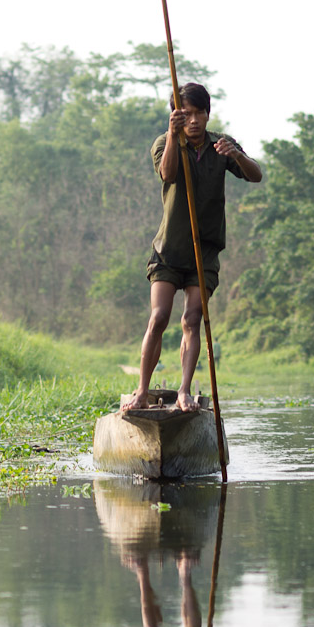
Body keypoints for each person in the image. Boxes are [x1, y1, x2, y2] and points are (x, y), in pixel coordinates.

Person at [122, 83, 262, 412]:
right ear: (177, 116)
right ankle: (142, 390)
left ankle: (184, 391)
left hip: (205, 251)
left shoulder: (220, 145)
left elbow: (255, 175)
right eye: (187, 114)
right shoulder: (165, 142)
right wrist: (173, 135)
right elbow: (168, 173)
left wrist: (237, 155)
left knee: (192, 318)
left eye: (200, 113)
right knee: (159, 317)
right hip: (169, 249)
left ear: (207, 114)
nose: (195, 120)